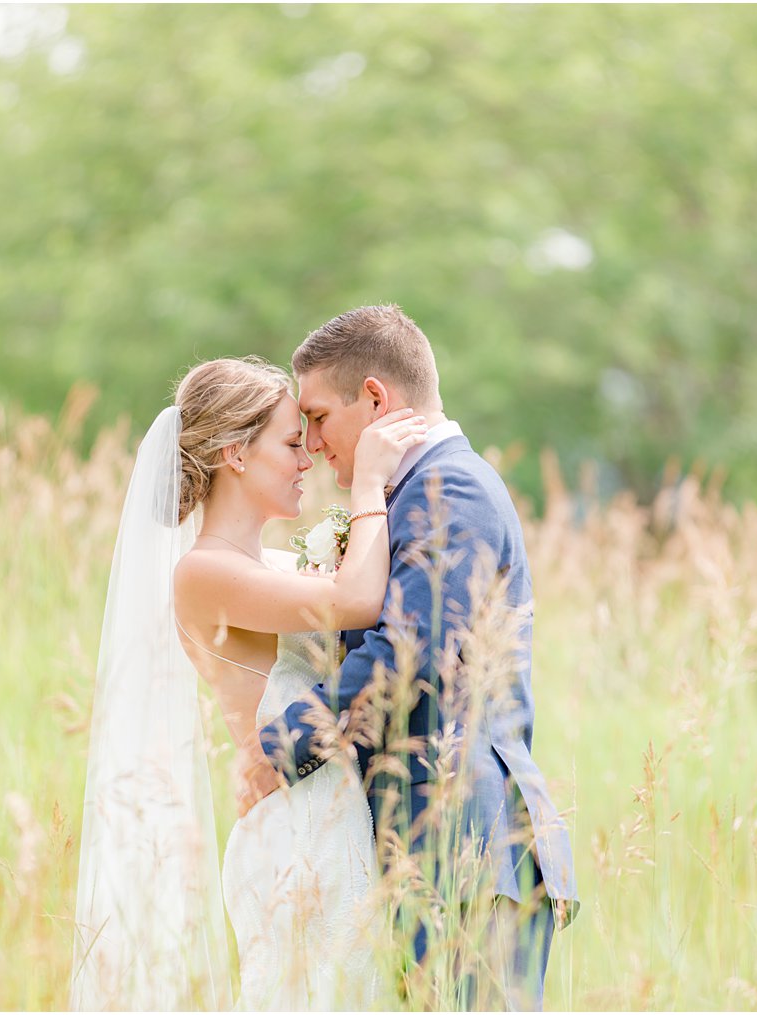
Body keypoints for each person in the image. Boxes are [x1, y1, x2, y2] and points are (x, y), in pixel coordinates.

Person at [248, 305, 579, 1011]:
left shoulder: (450, 489)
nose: (310, 443)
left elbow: (409, 652)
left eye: (317, 416)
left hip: (468, 843)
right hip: (428, 851)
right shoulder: (417, 493)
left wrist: (280, 747)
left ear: (375, 398)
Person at [70, 355, 427, 1010]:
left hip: (332, 816)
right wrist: (369, 483)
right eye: (292, 443)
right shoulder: (202, 573)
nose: (308, 458)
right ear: (235, 452)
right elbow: (355, 601)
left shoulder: (276, 565)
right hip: (293, 832)